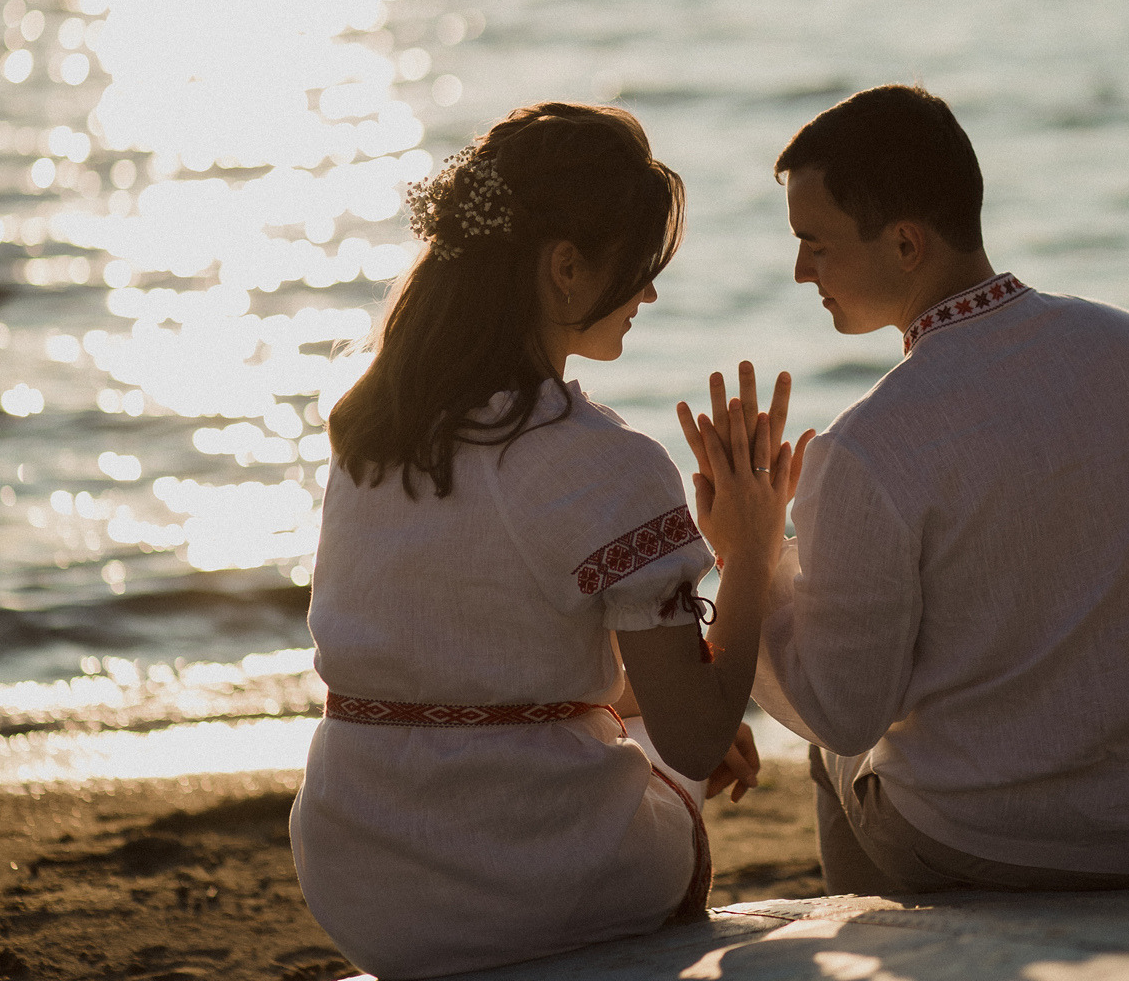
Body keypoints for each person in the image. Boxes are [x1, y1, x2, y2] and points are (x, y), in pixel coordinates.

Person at [708, 84, 1129, 895]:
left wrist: (751, 558)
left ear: (904, 244)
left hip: (990, 845)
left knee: (838, 751)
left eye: (815, 244)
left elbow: (844, 709)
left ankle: (887, 943)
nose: (798, 271)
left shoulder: (869, 444)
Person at [290, 103, 797, 978]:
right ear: (565, 268)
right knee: (667, 776)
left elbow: (477, 669)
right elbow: (695, 740)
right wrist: (750, 547)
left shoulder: (374, 427)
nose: (648, 293)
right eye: (640, 268)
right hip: (523, 881)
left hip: (356, 875)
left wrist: (642, 705)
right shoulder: (599, 461)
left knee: (630, 732)